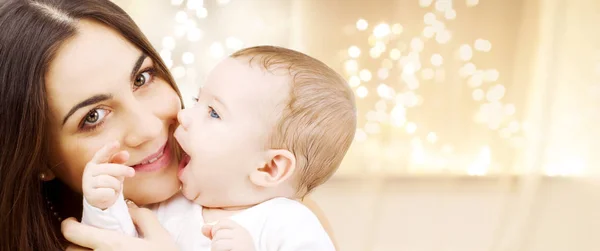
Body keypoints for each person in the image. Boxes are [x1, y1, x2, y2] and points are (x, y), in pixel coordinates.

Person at [0, 1, 335, 250]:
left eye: (142, 78)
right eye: (93, 116)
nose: (147, 128)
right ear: (38, 157)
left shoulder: (277, 211)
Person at [81, 46, 356, 251]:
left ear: (268, 167)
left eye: (213, 112)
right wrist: (104, 206)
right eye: (197, 100)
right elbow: (113, 244)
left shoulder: (288, 223)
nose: (185, 116)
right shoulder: (167, 206)